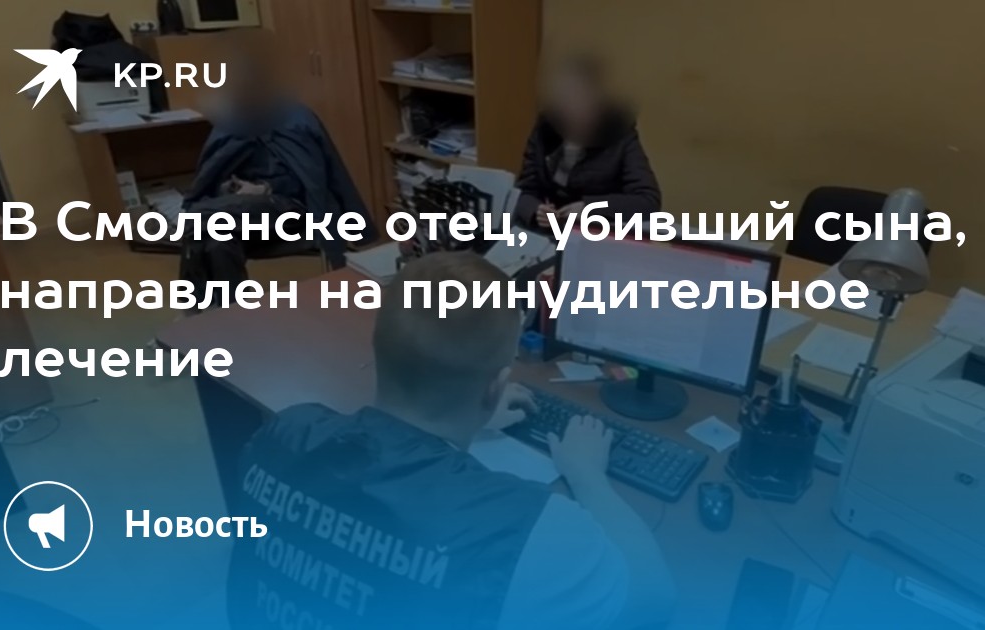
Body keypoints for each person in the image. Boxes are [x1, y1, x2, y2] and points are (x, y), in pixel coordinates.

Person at [227, 252, 676, 630]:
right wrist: (588, 476)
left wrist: (467, 422)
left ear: (377, 350)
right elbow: (654, 604)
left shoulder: (285, 431)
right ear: (495, 387)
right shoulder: (529, 532)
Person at [179, 48, 375, 309]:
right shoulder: (231, 123)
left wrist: (265, 188)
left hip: (291, 210)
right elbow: (212, 177)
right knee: (216, 241)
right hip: (238, 214)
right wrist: (230, 187)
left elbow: (315, 180)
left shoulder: (296, 119)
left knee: (200, 219)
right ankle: (233, 313)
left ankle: (195, 309)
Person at [513, 55, 662, 233]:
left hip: (596, 233)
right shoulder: (546, 127)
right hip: (551, 231)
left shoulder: (620, 133)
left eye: (579, 98)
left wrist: (590, 208)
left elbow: (647, 200)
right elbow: (525, 189)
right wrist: (535, 210)